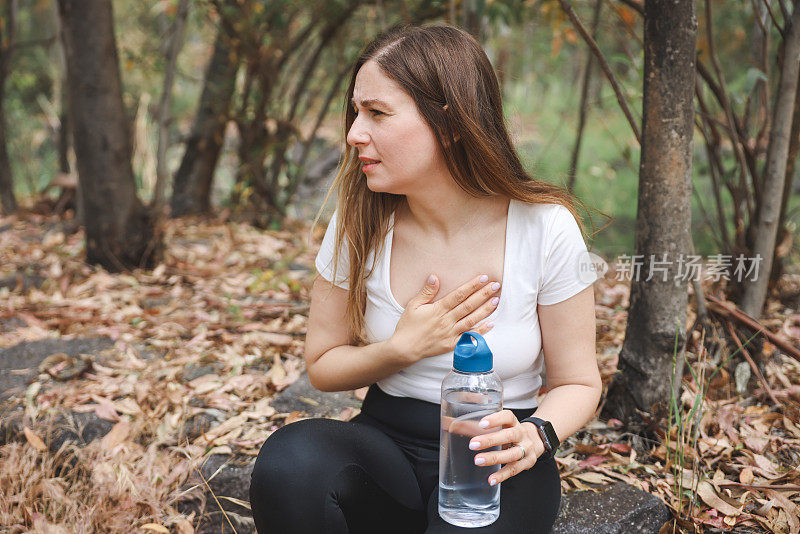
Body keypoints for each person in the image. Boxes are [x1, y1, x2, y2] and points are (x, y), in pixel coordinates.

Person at [249, 22, 601, 534]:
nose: (353, 134)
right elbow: (323, 365)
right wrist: (400, 349)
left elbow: (579, 382)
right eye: (355, 113)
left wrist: (537, 435)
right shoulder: (360, 220)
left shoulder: (543, 226)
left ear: (451, 122)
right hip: (385, 444)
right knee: (290, 463)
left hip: (494, 456)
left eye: (377, 113)